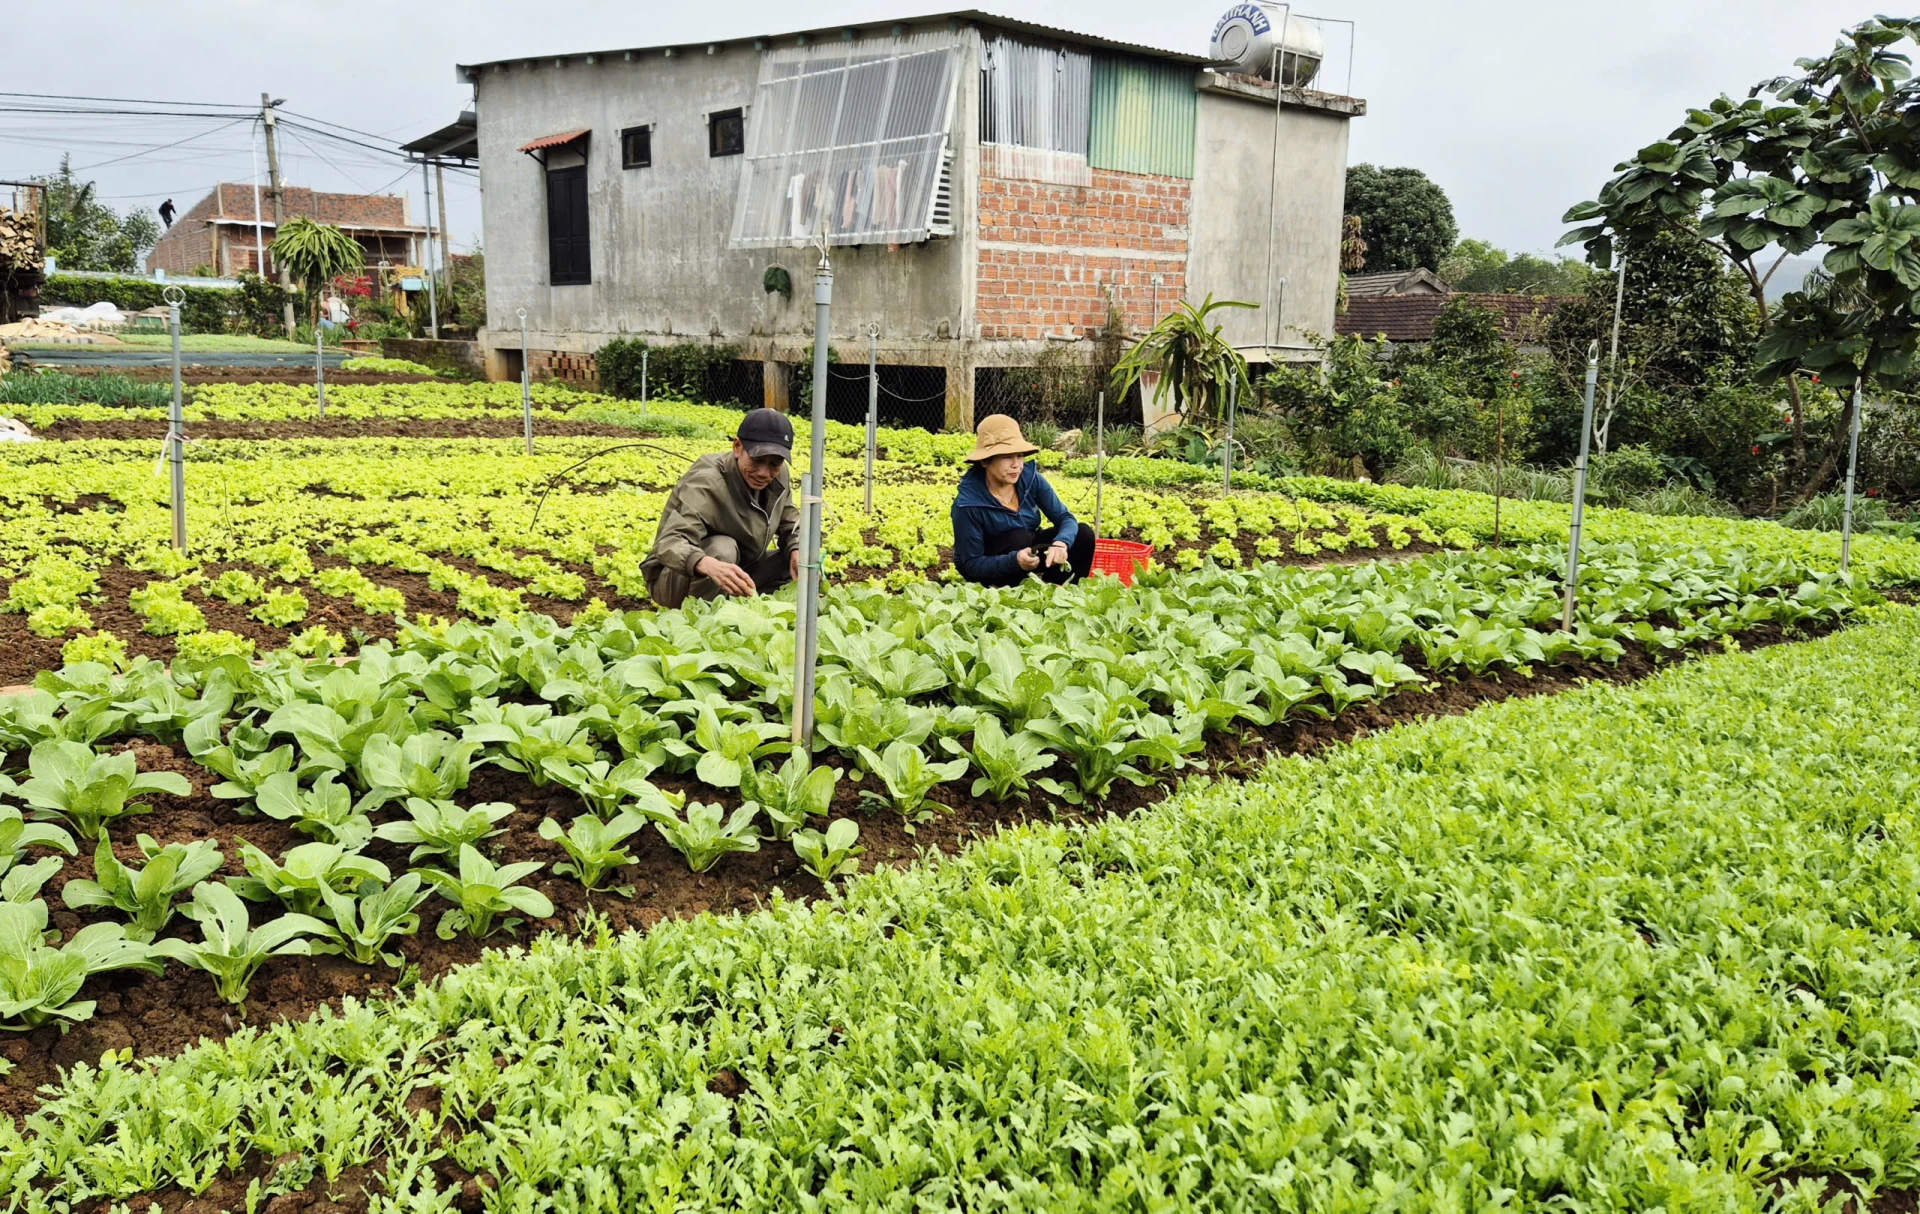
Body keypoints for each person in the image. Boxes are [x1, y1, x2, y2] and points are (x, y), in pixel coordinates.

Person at [642, 408, 801, 608]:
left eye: (774, 464)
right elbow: (669, 542)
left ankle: (742, 607)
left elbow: (790, 521)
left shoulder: (779, 475)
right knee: (722, 549)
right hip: (677, 578)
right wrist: (706, 563)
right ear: (737, 447)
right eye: (757, 460)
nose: (764, 472)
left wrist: (797, 548)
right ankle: (700, 618)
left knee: (798, 558)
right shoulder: (707, 482)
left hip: (740, 569)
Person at [951, 414, 1096, 587]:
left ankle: (1059, 591)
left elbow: (1065, 518)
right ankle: (1014, 597)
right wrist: (1015, 560)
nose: (1017, 465)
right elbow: (971, 564)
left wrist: (1061, 543)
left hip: (1027, 553)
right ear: (985, 461)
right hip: (989, 568)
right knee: (1018, 537)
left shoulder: (1031, 479)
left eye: (1019, 456)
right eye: (1007, 457)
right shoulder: (967, 504)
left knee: (1083, 534)